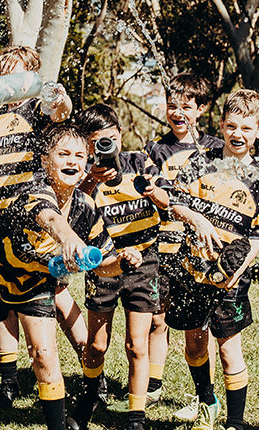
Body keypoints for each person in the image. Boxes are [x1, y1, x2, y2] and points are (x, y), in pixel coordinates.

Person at [0, 124, 142, 430]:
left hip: (34, 284)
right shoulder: (34, 192)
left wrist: (122, 262)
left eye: (79, 155)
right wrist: (68, 238)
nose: (72, 161)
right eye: (63, 154)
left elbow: (102, 264)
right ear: (45, 159)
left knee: (44, 355)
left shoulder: (87, 209)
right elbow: (49, 218)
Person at [0, 45, 87, 409]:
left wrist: (59, 99)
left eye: (18, 74)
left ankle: (91, 376)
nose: (11, 83)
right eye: (5, 74)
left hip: (35, 225)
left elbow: (60, 112)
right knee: (2, 306)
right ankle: (8, 382)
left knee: (54, 298)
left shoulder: (37, 111)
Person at [67, 104, 171, 430]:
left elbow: (168, 200)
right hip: (104, 261)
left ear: (121, 135)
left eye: (111, 140)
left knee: (136, 344)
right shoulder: (82, 174)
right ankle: (89, 394)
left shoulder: (141, 162)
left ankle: (136, 416)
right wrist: (88, 182)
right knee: (97, 344)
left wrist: (154, 190)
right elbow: (68, 211)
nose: (106, 149)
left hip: (144, 262)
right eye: (97, 144)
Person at [168, 89, 259, 430]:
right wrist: (197, 219)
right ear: (220, 125)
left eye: (246, 128)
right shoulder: (202, 161)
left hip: (231, 277)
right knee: (193, 342)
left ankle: (234, 421)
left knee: (228, 348)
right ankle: (206, 399)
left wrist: (240, 266)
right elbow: (174, 201)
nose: (238, 134)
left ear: (257, 130)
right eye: (232, 126)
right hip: (192, 268)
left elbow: (257, 235)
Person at [138, 72, 224, 420]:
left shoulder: (217, 148)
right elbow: (151, 190)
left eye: (186, 106)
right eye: (172, 104)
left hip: (202, 252)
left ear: (201, 109)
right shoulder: (156, 149)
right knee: (157, 319)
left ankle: (206, 396)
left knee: (198, 328)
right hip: (164, 248)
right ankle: (154, 386)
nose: (177, 111)